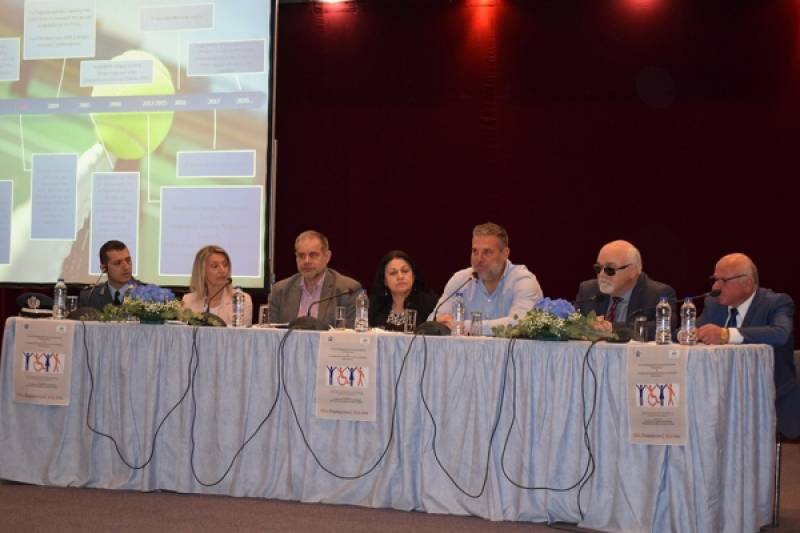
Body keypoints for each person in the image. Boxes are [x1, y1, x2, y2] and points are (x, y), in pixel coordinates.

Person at [696, 253, 798, 436]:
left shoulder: (776, 303)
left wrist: (726, 335)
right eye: (714, 280)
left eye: (723, 281)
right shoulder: (714, 304)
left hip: (768, 396)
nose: (715, 287)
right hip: (722, 396)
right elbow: (692, 331)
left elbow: (780, 333)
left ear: (748, 284)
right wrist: (685, 333)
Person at [430, 222, 542, 336]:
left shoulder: (523, 281)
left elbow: (520, 325)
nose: (479, 259)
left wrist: (462, 326)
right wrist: (440, 323)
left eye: (487, 252)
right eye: (475, 251)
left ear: (505, 254)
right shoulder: (461, 280)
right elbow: (434, 321)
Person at [575, 240, 676, 340]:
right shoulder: (588, 290)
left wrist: (612, 328)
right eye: (598, 268)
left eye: (610, 269)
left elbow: (664, 328)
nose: (601, 275)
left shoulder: (658, 294)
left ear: (632, 271)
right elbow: (573, 324)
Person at [269, 230, 361, 327]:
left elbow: (350, 334)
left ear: (327, 257)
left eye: (313, 255)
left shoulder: (347, 290)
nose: (306, 261)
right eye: (301, 255)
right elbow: (270, 332)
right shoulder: (280, 290)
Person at [182, 245, 252, 326]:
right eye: (215, 266)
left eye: (225, 265)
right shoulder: (188, 301)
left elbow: (241, 333)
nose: (222, 270)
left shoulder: (241, 299)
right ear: (202, 271)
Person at [369, 250, 438, 331]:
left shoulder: (430, 304)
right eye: (393, 273)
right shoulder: (375, 306)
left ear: (413, 276)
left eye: (405, 271)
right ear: (385, 281)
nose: (400, 276)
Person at [78, 240, 139, 309]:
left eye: (128, 260)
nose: (126, 267)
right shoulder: (89, 297)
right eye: (118, 263)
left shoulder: (147, 293)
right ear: (104, 268)